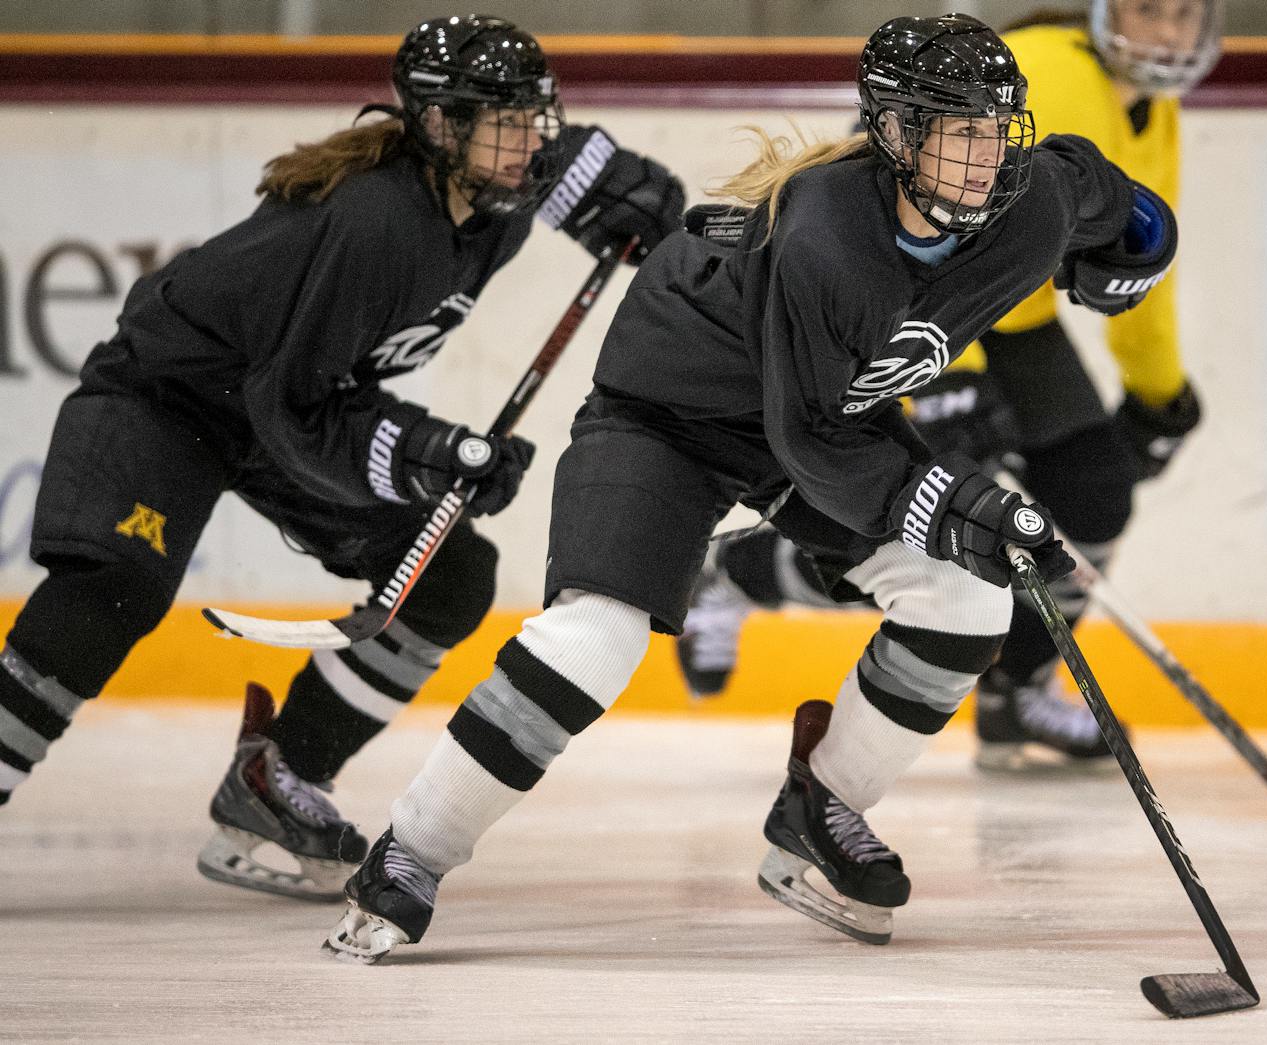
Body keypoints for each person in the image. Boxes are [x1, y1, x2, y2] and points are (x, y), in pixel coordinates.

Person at [321, 13, 1179, 963]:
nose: (981, 160)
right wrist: (964, 500)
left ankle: (822, 808)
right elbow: (809, 438)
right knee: (593, 639)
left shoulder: (1031, 201)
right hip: (666, 420)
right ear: (895, 134)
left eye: (992, 130)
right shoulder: (827, 239)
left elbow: (1101, 187)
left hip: (812, 417)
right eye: (954, 132)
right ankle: (410, 854)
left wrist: (1142, 243)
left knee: (967, 599)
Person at [0, 15, 685, 903]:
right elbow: (296, 409)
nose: (529, 141)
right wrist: (433, 452)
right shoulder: (376, 224)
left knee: (446, 575)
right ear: (439, 126)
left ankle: (276, 778)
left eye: (535, 117)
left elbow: (609, 189)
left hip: (274, 402)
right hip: (171, 395)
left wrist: (631, 199)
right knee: (109, 590)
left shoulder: (494, 206)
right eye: (503, 120)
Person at [676, 0, 1220, 770]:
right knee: (927, 524)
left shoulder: (1156, 115)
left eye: (1185, 16)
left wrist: (1158, 392)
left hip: (1012, 316)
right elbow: (939, 224)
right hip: (920, 307)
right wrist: (950, 383)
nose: (1167, 35)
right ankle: (738, 573)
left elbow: (1131, 269)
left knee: (1094, 488)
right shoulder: (1058, 72)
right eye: (1147, 10)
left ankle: (1014, 693)